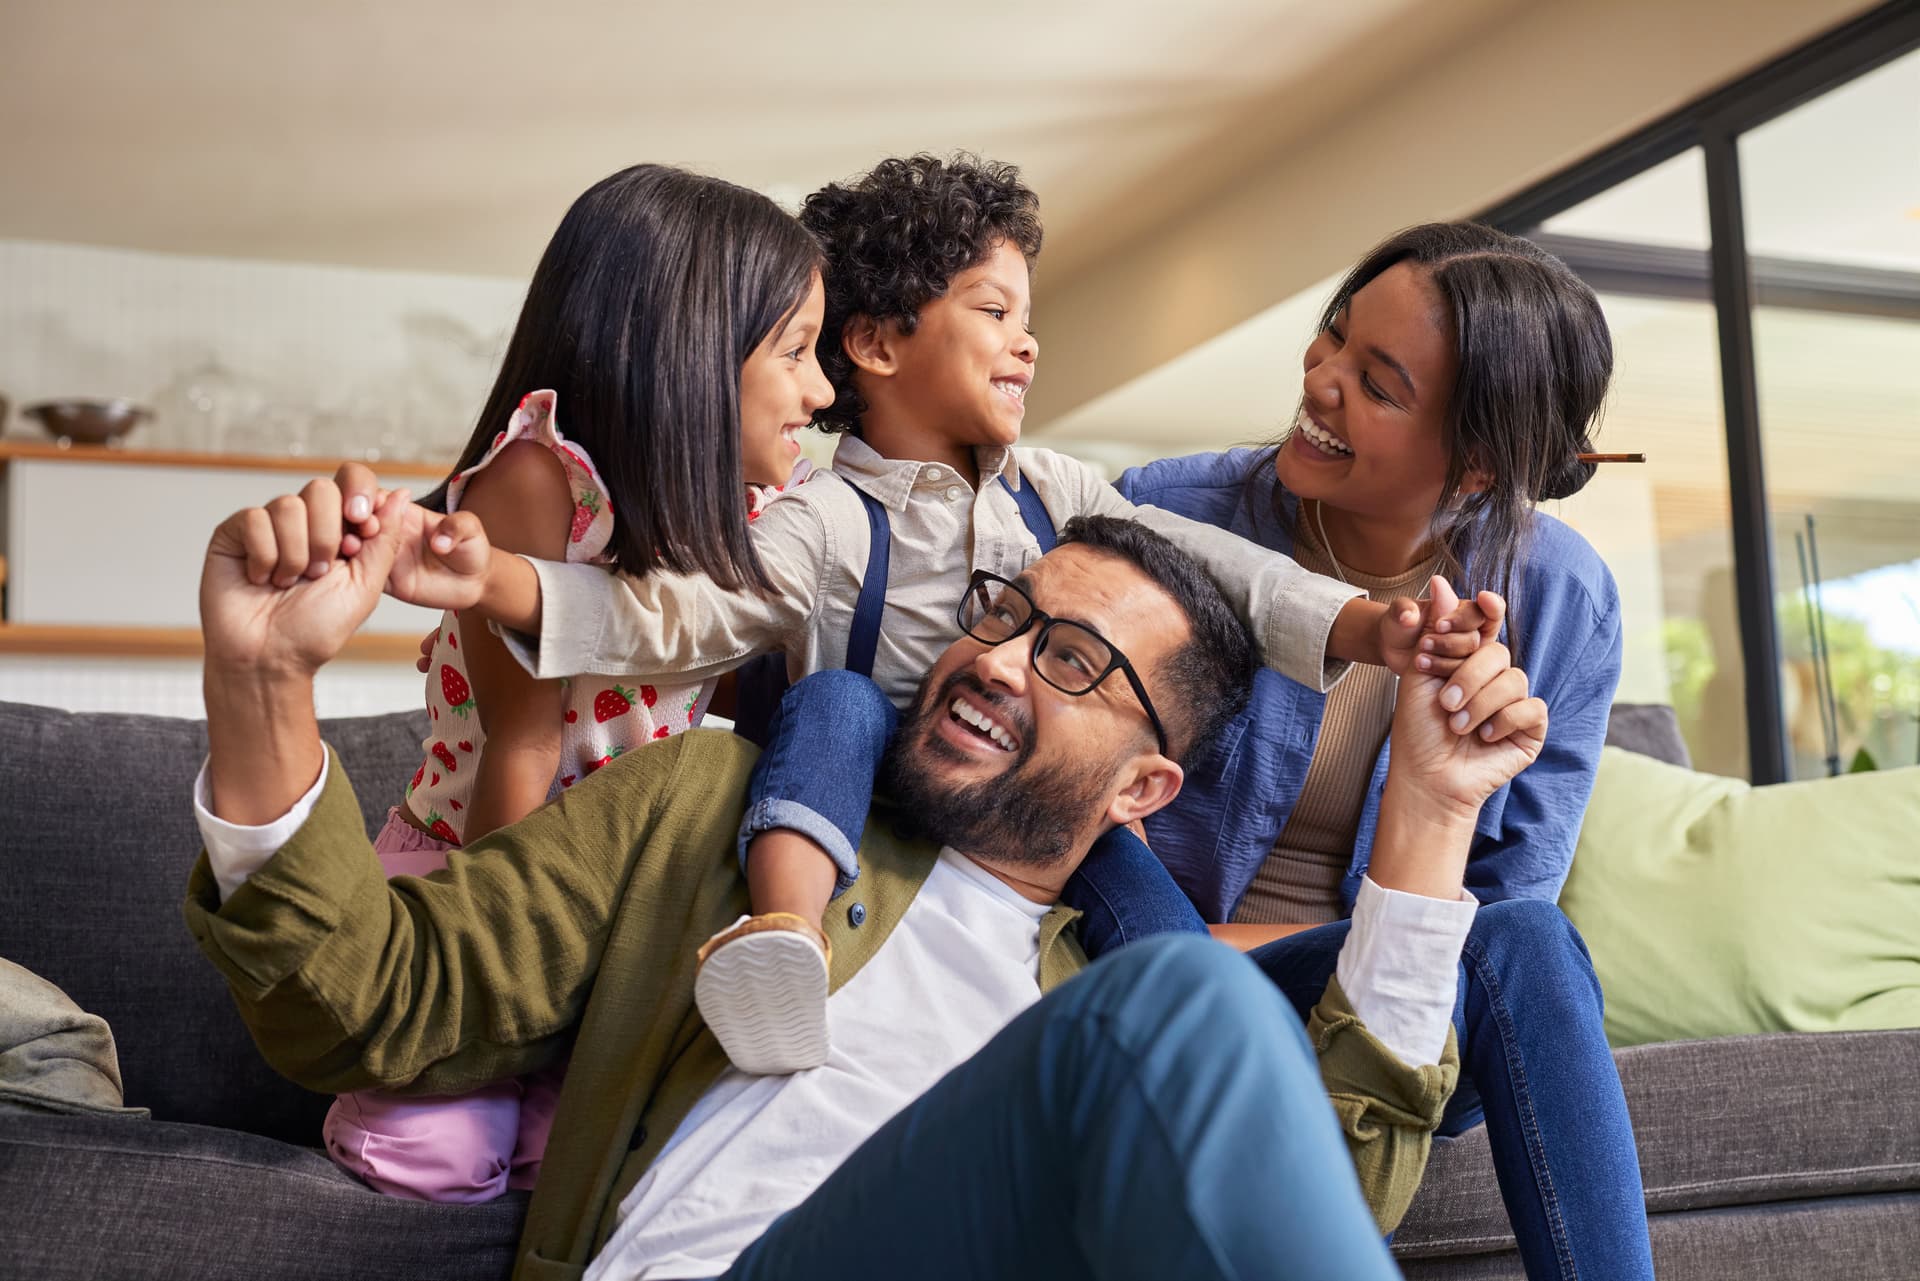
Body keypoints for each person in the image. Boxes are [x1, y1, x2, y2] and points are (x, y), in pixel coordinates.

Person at [191, 490, 1551, 1280]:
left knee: (1216, 996)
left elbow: (1336, 1201)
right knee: (1191, 1000)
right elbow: (365, 1005)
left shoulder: (1103, 983)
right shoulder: (711, 803)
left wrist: (1430, 804)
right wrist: (264, 684)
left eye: (1073, 662)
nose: (1003, 661)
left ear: (1145, 790)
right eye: (1008, 616)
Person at [345, 154, 1499, 1078]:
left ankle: (1203, 1055)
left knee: (1153, 918)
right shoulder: (818, 514)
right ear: (879, 344)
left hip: (1017, 812)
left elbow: (1219, 567)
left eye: (1028, 313)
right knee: (836, 700)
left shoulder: (1057, 488)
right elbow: (676, 616)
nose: (1029, 337)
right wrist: (495, 581)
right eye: (995, 309)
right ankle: (786, 937)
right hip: (875, 806)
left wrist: (1362, 628)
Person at [309, 163, 861, 1203]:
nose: (821, 391)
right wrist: (497, 999)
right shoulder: (539, 482)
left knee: (603, 1168)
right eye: (794, 353)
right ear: (691, 353)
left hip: (627, 908)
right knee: (437, 1154)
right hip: (495, 880)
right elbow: (520, 752)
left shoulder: (742, 522)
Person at [1111, 222, 1652, 1280]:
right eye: (1333, 339)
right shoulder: (1167, 518)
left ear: (1478, 460)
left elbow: (1504, 902)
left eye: (1378, 381)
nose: (1319, 383)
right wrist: (1205, 957)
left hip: (1411, 996)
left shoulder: (1566, 601)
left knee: (1534, 943)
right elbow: (1076, 817)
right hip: (1176, 974)